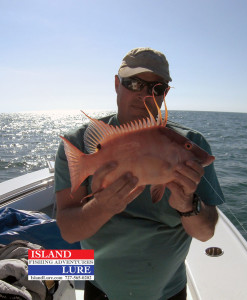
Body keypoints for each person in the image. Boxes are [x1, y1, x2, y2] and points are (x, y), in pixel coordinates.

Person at [54, 47, 224, 300]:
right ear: (116, 84)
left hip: (169, 292)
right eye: (133, 83)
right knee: (41, 266)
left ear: (165, 93)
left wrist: (186, 204)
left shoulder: (190, 143)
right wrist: (103, 206)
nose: (144, 95)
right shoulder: (77, 143)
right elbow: (68, 231)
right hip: (100, 290)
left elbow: (205, 233)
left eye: (157, 88)